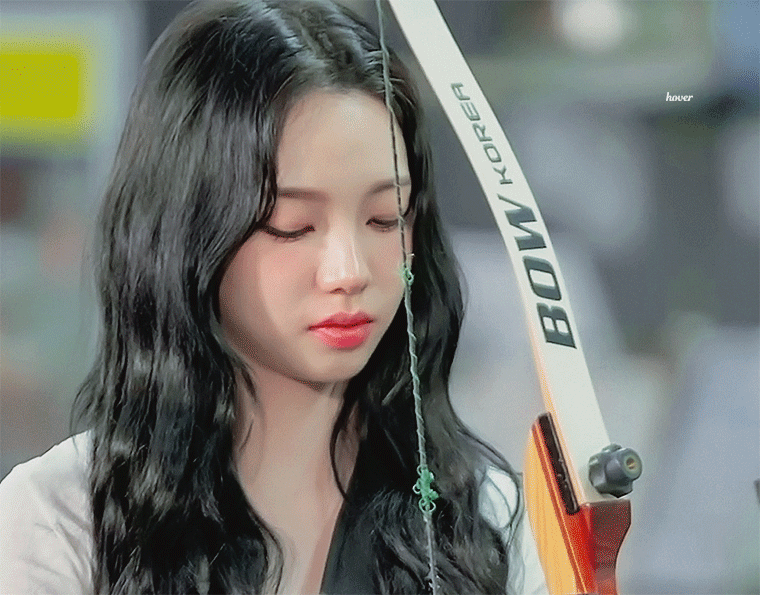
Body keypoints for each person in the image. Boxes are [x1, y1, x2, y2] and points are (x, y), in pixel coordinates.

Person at [0, 0, 547, 593]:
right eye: (293, 226)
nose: (349, 272)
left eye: (385, 218)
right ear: (191, 234)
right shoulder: (60, 522)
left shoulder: (485, 521)